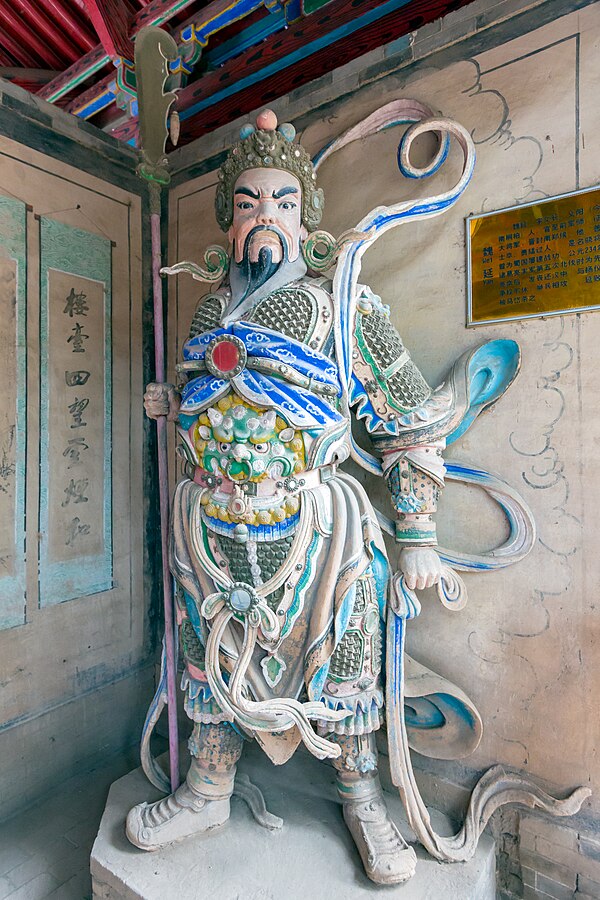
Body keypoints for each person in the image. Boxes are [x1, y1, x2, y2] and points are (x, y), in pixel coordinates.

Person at [125, 109, 460, 885]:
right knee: (210, 665)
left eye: (279, 201)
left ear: (302, 216)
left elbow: (408, 423)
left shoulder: (341, 303)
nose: (262, 217)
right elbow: (211, 403)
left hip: (316, 530)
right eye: (247, 203)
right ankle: (207, 787)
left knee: (341, 662)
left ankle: (362, 797)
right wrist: (174, 406)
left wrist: (417, 535)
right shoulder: (207, 313)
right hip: (208, 524)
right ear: (229, 222)